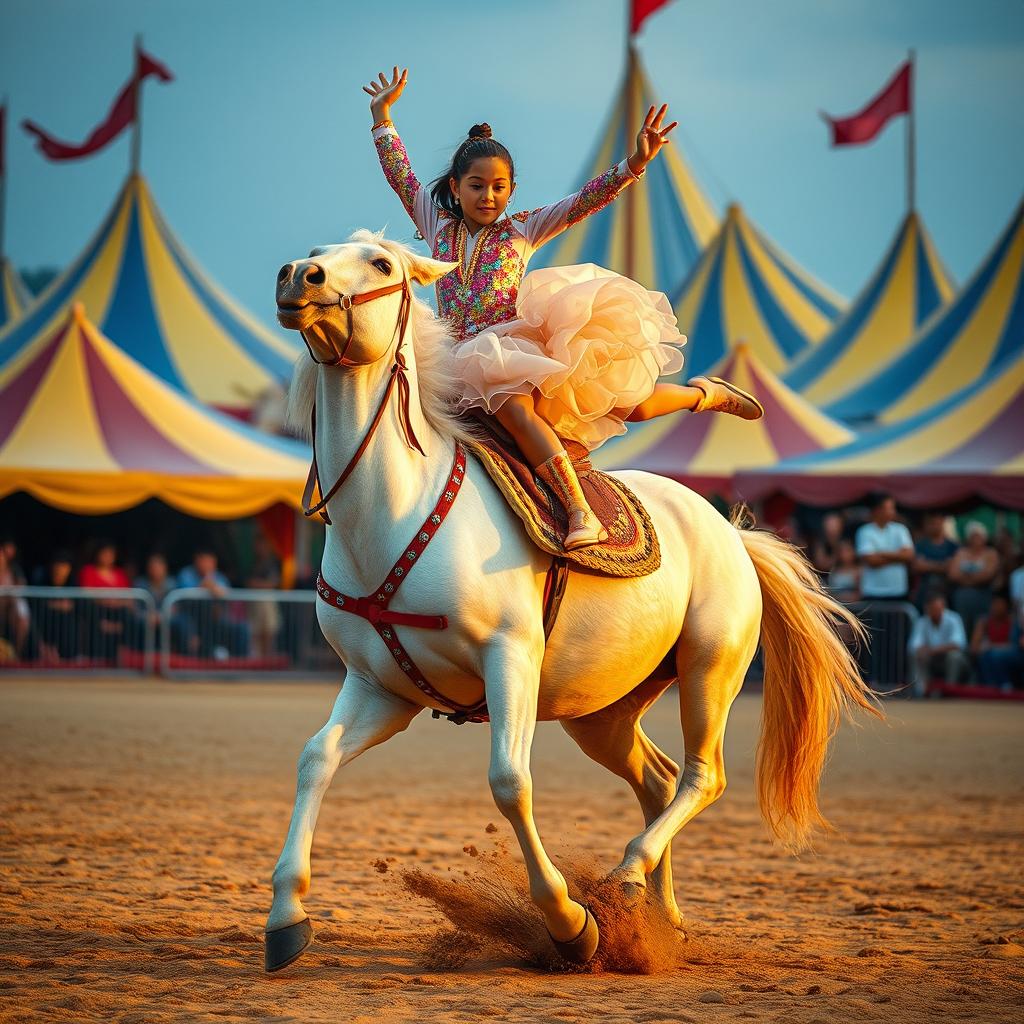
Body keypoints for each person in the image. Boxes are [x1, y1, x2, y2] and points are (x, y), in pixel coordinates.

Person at [365, 67, 763, 550]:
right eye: (476, 186)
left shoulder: (524, 230)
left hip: (508, 351)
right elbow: (402, 179)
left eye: (499, 187)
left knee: (615, 406)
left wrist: (634, 163)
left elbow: (583, 202)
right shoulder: (437, 228)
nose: (488, 196)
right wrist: (382, 116)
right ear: (455, 187)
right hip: (451, 357)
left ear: (511, 189)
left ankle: (589, 499)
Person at [855, 494, 915, 691]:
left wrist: (881, 554)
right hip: (873, 594)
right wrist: (896, 555)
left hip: (897, 593)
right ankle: (873, 681)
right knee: (874, 642)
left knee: (896, 642)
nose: (892, 512)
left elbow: (909, 556)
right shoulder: (865, 531)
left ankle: (897, 681)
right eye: (889, 508)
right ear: (877, 510)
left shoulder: (900, 530)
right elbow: (869, 560)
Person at [178, 549, 250, 658]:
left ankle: (240, 664)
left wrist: (212, 587)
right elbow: (185, 595)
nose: (208, 565)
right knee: (185, 626)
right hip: (190, 618)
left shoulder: (219, 577)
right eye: (205, 561)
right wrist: (204, 586)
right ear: (197, 561)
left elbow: (225, 592)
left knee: (241, 628)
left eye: (211, 562)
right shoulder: (186, 574)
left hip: (214, 618)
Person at [79, 540, 144, 660]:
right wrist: (107, 599)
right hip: (98, 612)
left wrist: (116, 601)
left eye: (110, 554)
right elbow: (87, 593)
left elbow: (128, 596)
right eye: (104, 553)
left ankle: (126, 653)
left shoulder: (119, 574)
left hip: (117, 613)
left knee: (130, 615)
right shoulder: (89, 571)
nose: (107, 557)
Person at [909, 592, 970, 694]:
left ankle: (950, 690)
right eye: (932, 609)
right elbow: (913, 646)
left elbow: (958, 644)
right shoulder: (922, 621)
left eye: (938, 609)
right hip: (931, 660)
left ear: (943, 607)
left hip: (953, 661)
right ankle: (922, 691)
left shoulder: (954, 619)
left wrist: (933, 650)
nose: (935, 612)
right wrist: (924, 651)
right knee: (916, 655)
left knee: (954, 656)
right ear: (927, 608)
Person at [948, 521, 999, 639]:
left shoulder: (990, 553)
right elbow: (953, 574)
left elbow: (988, 575)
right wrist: (976, 577)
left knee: (981, 627)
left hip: (983, 597)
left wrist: (965, 577)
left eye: (978, 536)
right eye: (973, 536)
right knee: (963, 627)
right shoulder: (961, 552)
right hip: (962, 599)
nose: (976, 540)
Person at [912, 511, 958, 608]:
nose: (934, 526)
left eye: (936, 522)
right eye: (931, 523)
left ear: (942, 522)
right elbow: (917, 566)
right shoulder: (920, 545)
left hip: (947, 591)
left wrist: (927, 565)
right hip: (924, 591)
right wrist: (942, 565)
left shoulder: (952, 546)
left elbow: (952, 568)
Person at [973, 593, 1015, 686]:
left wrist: (993, 647)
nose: (997, 607)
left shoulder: (1012, 621)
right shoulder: (984, 622)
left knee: (994, 655)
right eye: (995, 604)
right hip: (988, 654)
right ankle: (990, 686)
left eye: (1000, 604)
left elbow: (1014, 646)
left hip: (1007, 653)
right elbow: (974, 646)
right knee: (986, 656)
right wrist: (982, 647)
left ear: (1006, 606)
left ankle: (1005, 683)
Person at [827, 539, 861, 605]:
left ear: (854, 552)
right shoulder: (834, 570)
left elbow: (860, 593)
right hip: (837, 607)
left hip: (855, 607)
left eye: (848, 550)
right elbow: (830, 592)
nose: (845, 554)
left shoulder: (859, 570)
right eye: (842, 551)